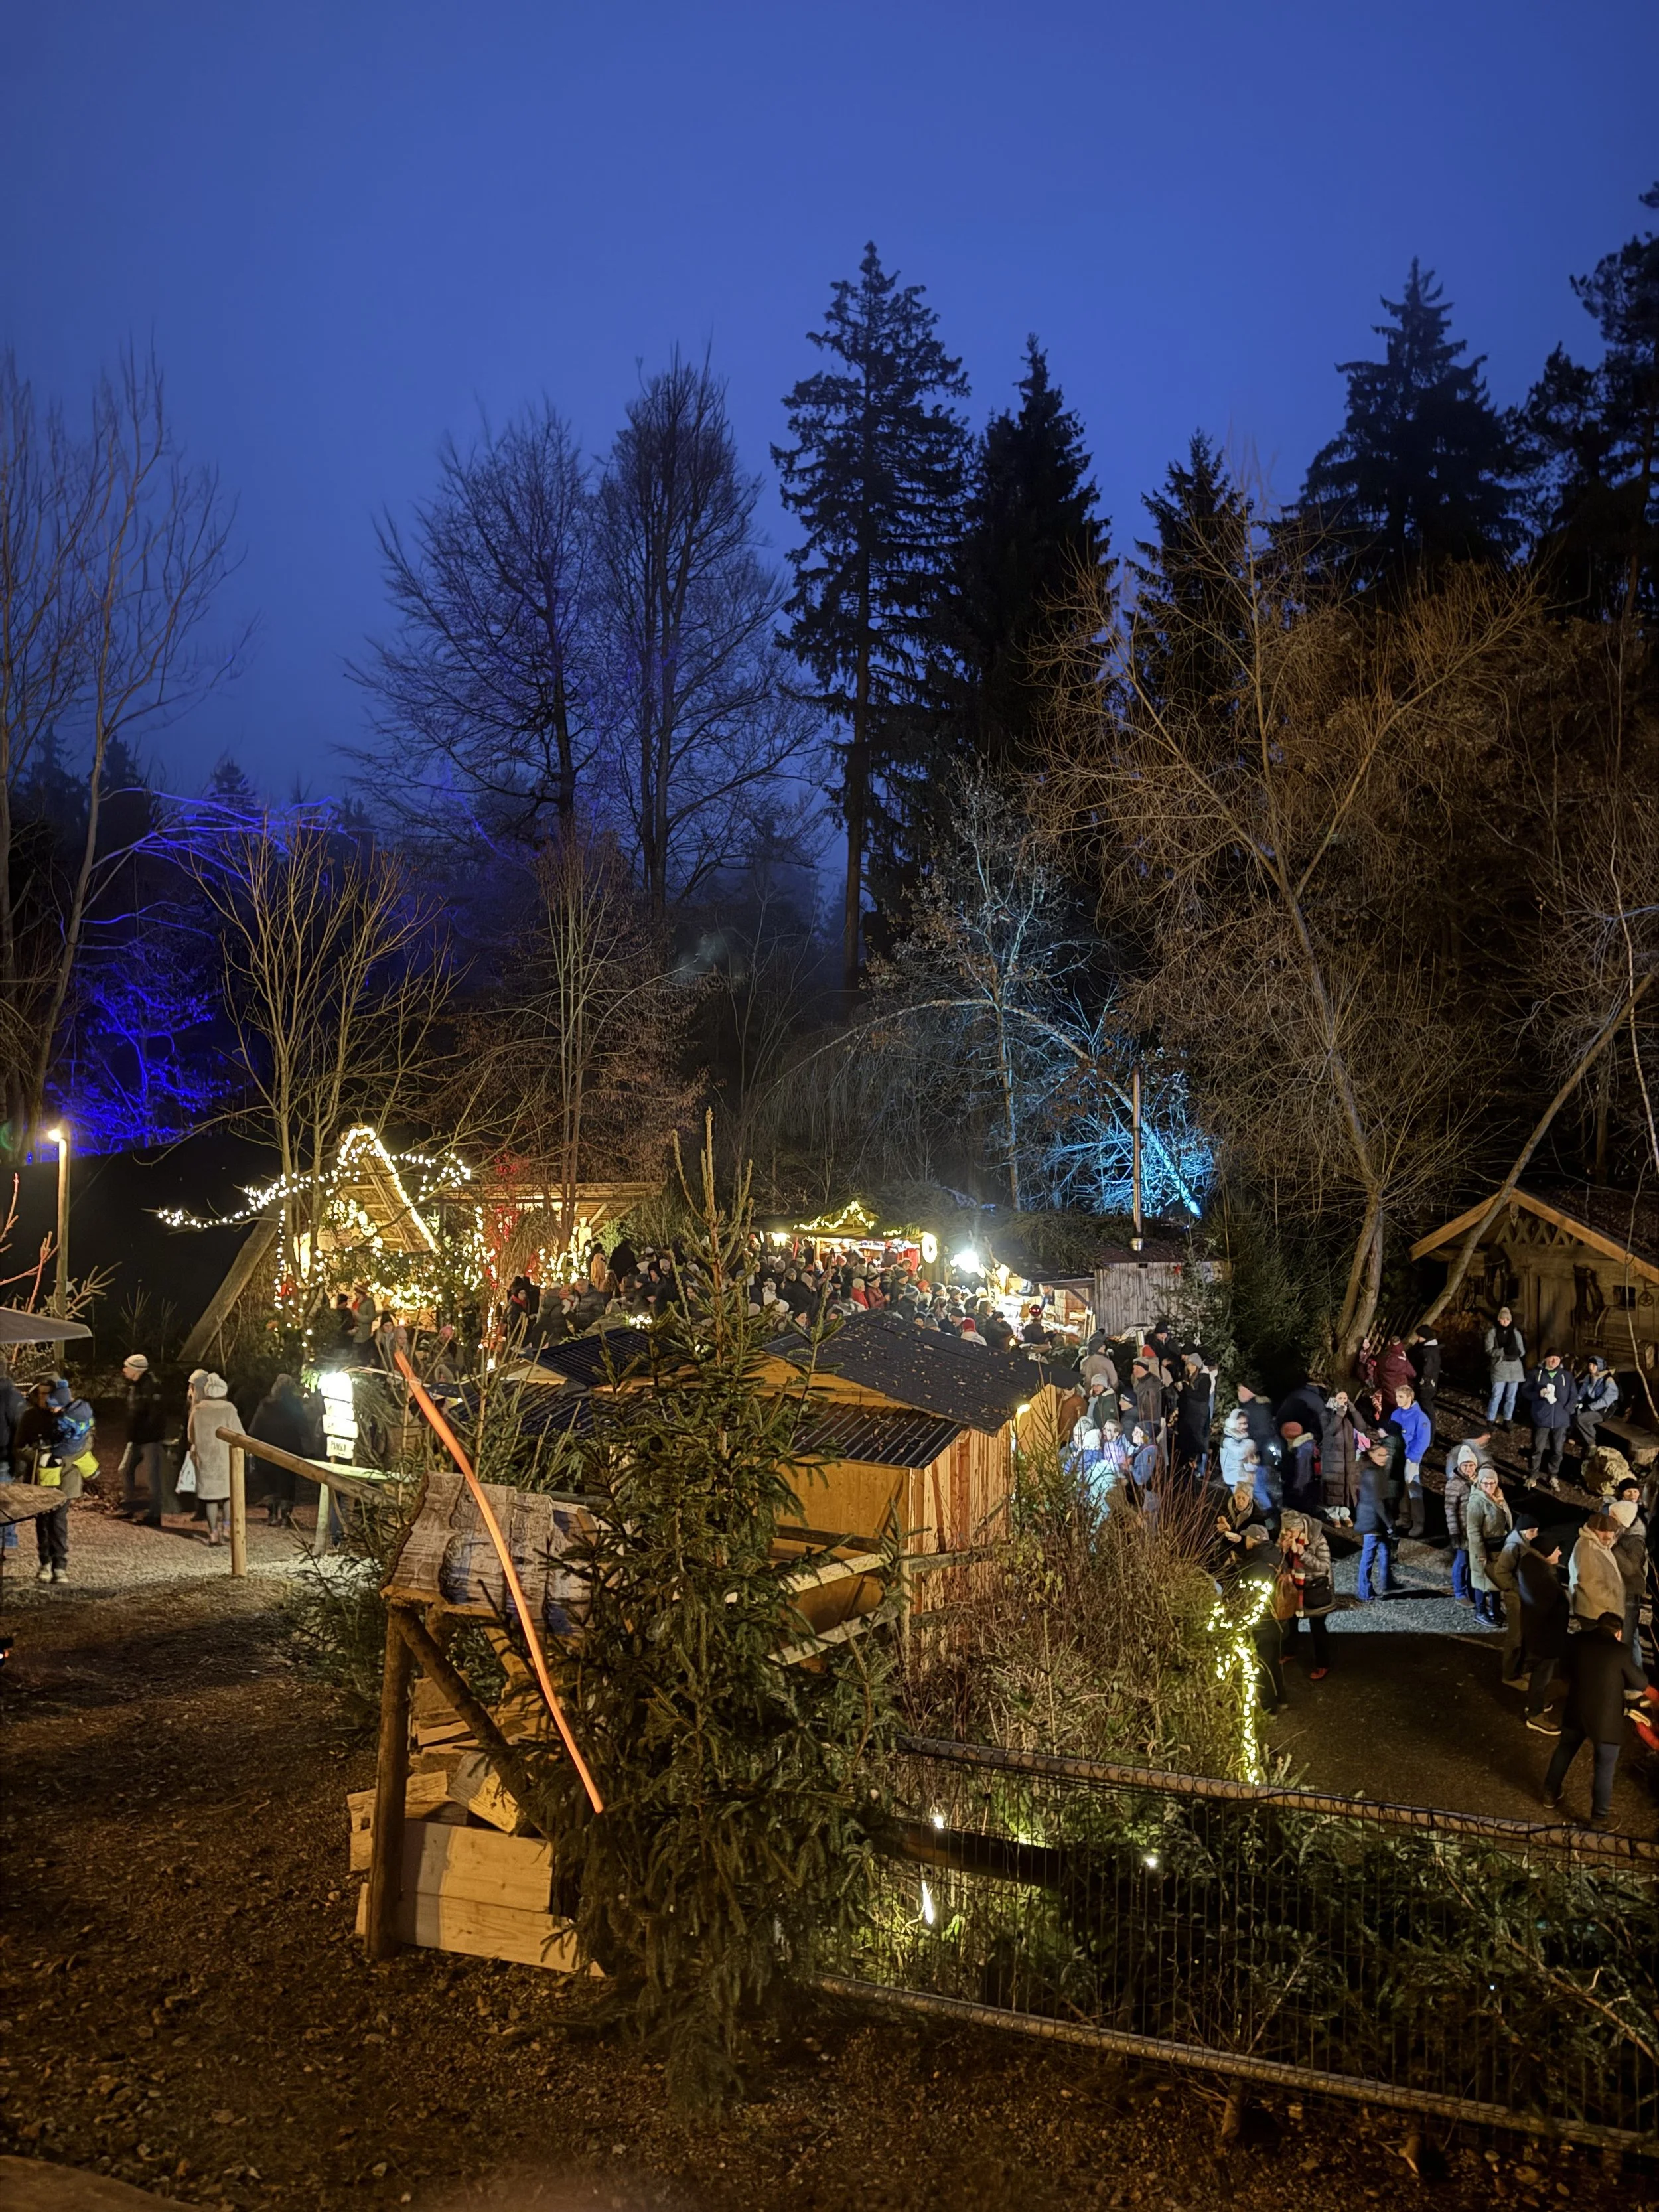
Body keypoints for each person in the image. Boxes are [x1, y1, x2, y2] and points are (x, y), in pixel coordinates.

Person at [1540, 1612, 1648, 1826]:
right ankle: (1599, 1817)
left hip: (1576, 1710)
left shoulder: (1578, 1641)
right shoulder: (1620, 1652)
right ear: (1618, 1633)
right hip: (1606, 1720)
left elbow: (1565, 1672)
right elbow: (1641, 1682)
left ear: (1598, 1626)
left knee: (1565, 1749)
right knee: (1604, 1766)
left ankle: (1549, 1793)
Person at [15, 1381, 75, 1584]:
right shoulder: (30, 1417)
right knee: (42, 1522)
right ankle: (45, 1562)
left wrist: (60, 1457)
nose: (46, 1399)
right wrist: (38, 1457)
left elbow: (85, 1443)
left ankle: (60, 1565)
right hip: (39, 1478)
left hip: (64, 1478)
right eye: (42, 1394)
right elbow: (19, 1446)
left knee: (58, 1521)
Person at [1517, 1533, 1571, 1730]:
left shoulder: (1531, 1564)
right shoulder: (1539, 1575)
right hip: (1545, 1636)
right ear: (1547, 1553)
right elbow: (1548, 1605)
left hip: (1540, 1633)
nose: (1560, 1553)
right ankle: (1535, 1714)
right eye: (1557, 1550)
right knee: (1542, 1675)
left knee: (1542, 1673)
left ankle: (1536, 1705)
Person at [187, 1374, 242, 1548]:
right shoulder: (229, 1409)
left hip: (206, 1458)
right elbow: (239, 1433)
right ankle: (227, 1527)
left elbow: (191, 1436)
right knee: (227, 1495)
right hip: (225, 1457)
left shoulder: (198, 1409)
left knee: (210, 1497)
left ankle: (213, 1533)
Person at [1278, 1511, 1334, 1680]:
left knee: (1317, 1628)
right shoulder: (1284, 1537)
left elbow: (1324, 1567)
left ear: (1301, 1528)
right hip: (1295, 1589)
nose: (1289, 1535)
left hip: (1316, 1590)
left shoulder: (1318, 1540)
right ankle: (1290, 1651)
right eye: (1286, 1532)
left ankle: (1323, 1664)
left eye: (1292, 1532)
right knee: (1290, 1621)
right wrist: (1282, 1551)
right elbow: (1278, 1561)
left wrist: (1302, 1553)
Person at [250, 1373, 308, 1526]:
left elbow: (256, 1427)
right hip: (289, 1451)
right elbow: (303, 1426)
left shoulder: (265, 1405)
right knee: (287, 1484)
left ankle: (273, 1514)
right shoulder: (295, 1404)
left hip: (267, 1451)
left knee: (271, 1484)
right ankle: (286, 1516)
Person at [1353, 1439, 1403, 1602]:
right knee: (1369, 1555)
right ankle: (1364, 1591)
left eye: (1386, 1455)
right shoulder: (1373, 1474)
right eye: (1380, 1455)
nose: (1384, 1458)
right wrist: (1389, 1523)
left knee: (1384, 1550)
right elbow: (1377, 1502)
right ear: (1372, 1456)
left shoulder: (1377, 1471)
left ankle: (1386, 1582)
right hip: (1372, 1520)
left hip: (1375, 1519)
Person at [121, 1353, 167, 1524]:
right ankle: (130, 1507)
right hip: (138, 1438)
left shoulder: (151, 1387)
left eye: (127, 1367)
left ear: (136, 1369)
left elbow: (155, 1416)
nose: (124, 1370)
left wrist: (147, 1435)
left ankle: (155, 1515)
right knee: (126, 1470)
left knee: (152, 1478)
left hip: (148, 1439)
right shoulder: (137, 1386)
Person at [1465, 1465, 1513, 1629]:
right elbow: (1473, 1530)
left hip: (1499, 1547)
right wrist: (1480, 1553)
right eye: (1485, 1483)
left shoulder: (1499, 1497)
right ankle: (1480, 1612)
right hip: (1485, 1548)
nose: (1488, 1487)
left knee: (1495, 1581)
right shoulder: (1477, 1502)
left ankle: (1496, 1610)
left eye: (1492, 1483)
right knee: (1481, 1582)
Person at [1609, 1481, 1649, 1664]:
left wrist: (1614, 1548)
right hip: (1625, 1588)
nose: (1633, 1494)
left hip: (1630, 1591)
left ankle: (1632, 1680)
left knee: (1628, 1636)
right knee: (1631, 1634)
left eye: (1635, 1491)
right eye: (1628, 1491)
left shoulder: (1633, 1540)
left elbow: (1632, 1569)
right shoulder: (1628, 1530)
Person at [1526, 1351, 1577, 1483]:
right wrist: (1539, 1394)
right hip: (1541, 1419)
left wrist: (1567, 1411)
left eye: (1557, 1359)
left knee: (1558, 1451)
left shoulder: (1567, 1377)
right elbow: (1525, 1392)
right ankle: (1533, 1475)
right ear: (1545, 1359)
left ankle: (1553, 1476)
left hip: (1561, 1421)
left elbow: (1574, 1396)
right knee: (1537, 1449)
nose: (1554, 1361)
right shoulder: (1536, 1375)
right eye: (1551, 1358)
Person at [1387, 1385, 1430, 1539]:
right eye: (1397, 1396)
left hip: (1411, 1460)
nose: (1397, 1400)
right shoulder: (1395, 1414)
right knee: (1401, 1489)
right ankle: (1405, 1517)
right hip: (1398, 1458)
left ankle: (1418, 1523)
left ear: (1409, 1398)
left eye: (1401, 1397)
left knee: (1413, 1489)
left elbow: (1423, 1440)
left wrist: (1413, 1459)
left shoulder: (1420, 1418)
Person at [1569, 1513, 1626, 1629]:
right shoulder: (1588, 1548)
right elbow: (1589, 1583)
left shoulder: (1600, 1546)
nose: (1608, 1536)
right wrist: (1612, 1602)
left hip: (1601, 1613)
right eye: (1603, 1531)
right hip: (1595, 1614)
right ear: (1592, 1530)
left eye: (1611, 1532)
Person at [1443, 1442, 1481, 1603]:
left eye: (1472, 1465)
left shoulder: (1478, 1480)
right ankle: (1460, 1593)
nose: (1469, 1468)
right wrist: (1455, 1532)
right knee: (1462, 1562)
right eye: (1465, 1465)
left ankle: (1473, 1591)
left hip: (1476, 1530)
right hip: (1463, 1531)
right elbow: (1450, 1509)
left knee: (1473, 1562)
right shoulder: (1454, 1483)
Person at [1319, 1389, 1360, 1516]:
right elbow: (1328, 1432)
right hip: (1333, 1457)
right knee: (1333, 1486)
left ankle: (1344, 1513)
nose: (1343, 1401)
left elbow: (1362, 1427)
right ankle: (1332, 1513)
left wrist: (1354, 1412)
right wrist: (1339, 1416)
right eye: (1340, 1398)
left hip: (1348, 1457)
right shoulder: (1326, 1413)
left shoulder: (1348, 1415)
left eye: (1345, 1398)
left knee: (1346, 1484)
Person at [1484, 1307, 1527, 1426]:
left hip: (1515, 1369)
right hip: (1500, 1368)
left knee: (1511, 1397)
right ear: (1499, 1319)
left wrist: (1515, 1351)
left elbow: (1522, 1351)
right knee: (1496, 1395)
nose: (1505, 1321)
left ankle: (1508, 1419)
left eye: (1507, 1319)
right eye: (1503, 1319)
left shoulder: (1515, 1333)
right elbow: (1489, 1350)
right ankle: (1491, 1419)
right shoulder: (1492, 1333)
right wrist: (1503, 1351)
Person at [1175, 1353, 1213, 1481]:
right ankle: (1188, 1468)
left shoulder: (1204, 1379)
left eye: (1192, 1365)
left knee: (1195, 1440)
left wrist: (1186, 1388)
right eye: (1188, 1365)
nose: (1189, 1367)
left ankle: (1197, 1469)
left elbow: (1202, 1396)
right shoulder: (1188, 1376)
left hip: (1198, 1414)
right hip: (1188, 1412)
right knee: (1187, 1440)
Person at [1573, 1357, 1619, 1459]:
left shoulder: (1608, 1380)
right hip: (1591, 1405)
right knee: (1574, 1413)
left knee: (1582, 1419)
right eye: (1590, 1365)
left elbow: (1607, 1400)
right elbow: (1582, 1392)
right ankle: (1578, 1438)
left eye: (1594, 1365)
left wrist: (1591, 1407)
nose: (1591, 1367)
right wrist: (1576, 1402)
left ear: (1600, 1367)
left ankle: (1592, 1444)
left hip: (1604, 1409)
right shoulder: (1589, 1378)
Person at [1278, 1421, 1318, 1514]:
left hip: (1297, 1488)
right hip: (1309, 1486)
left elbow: (1290, 1471)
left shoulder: (1295, 1450)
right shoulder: (1309, 1445)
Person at [1408, 1325, 1441, 1434]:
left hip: (1426, 1387)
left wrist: (1421, 1383)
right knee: (1425, 1410)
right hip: (1430, 1386)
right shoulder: (1432, 1350)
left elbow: (1427, 1371)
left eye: (1419, 1336)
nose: (1417, 1339)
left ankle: (1429, 1436)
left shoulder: (1427, 1352)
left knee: (1427, 1410)